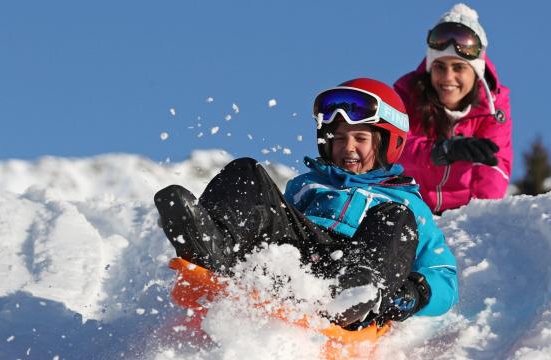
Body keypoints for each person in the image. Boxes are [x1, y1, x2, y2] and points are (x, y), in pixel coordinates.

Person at [154, 78, 457, 330]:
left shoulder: (406, 202)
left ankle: (355, 293)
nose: (347, 147)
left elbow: (444, 276)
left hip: (354, 267)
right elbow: (273, 221)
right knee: (246, 172)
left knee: (394, 219)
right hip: (298, 259)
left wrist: (412, 294)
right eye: (338, 138)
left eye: (360, 138)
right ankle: (214, 247)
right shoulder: (307, 185)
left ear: (389, 143)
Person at [394, 3, 512, 214]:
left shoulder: (493, 106)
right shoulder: (407, 94)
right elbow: (393, 150)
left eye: (459, 68)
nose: (448, 78)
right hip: (409, 211)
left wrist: (479, 218)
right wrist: (441, 151)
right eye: (440, 67)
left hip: (462, 216)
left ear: (476, 72)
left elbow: (495, 168)